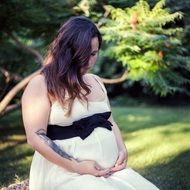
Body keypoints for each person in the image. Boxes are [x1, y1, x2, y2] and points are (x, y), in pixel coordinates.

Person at [21, 16, 160, 190]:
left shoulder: (95, 81)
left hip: (111, 171)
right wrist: (77, 166)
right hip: (66, 174)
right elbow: (35, 138)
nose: (90, 61)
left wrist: (122, 148)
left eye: (94, 54)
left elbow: (109, 120)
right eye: (84, 55)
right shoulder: (41, 84)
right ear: (67, 51)